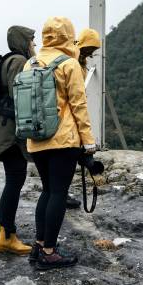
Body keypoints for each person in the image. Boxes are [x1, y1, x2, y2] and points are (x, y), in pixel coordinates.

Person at [26, 16, 97, 270]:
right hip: (63, 140)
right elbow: (79, 105)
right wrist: (88, 142)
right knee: (57, 193)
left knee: (46, 191)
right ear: (68, 35)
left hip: (36, 139)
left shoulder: (30, 63)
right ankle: (49, 251)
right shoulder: (69, 64)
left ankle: (38, 245)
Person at [0, 25, 35, 255]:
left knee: (12, 180)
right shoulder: (18, 61)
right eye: (31, 41)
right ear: (22, 42)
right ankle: (7, 235)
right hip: (10, 134)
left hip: (3, 130)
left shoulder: (8, 60)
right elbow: (20, 97)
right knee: (15, 181)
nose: (34, 45)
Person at [62, 27, 102, 210]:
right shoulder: (73, 63)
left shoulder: (79, 61)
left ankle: (63, 192)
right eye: (90, 50)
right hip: (69, 115)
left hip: (71, 114)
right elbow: (75, 99)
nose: (91, 54)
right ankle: (62, 194)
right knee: (69, 158)